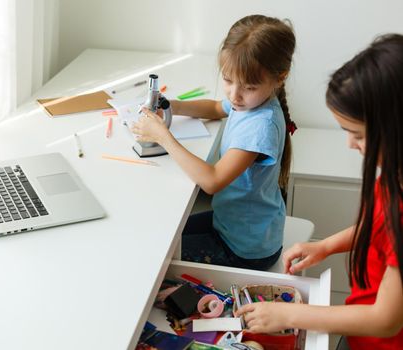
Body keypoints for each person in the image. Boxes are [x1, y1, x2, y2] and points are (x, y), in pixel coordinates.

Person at [236, 34, 403, 349]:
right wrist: (326, 245)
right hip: (359, 331)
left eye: (358, 134)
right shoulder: (394, 175)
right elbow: (380, 228)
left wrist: (291, 315)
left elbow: (386, 319)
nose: (350, 144)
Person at [131, 14, 297, 271]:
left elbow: (212, 181)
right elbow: (217, 107)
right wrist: (171, 104)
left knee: (155, 257)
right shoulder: (252, 102)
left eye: (248, 87)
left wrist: (162, 136)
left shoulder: (260, 126)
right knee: (160, 233)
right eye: (228, 81)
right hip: (232, 224)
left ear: (280, 77)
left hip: (244, 249)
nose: (235, 94)